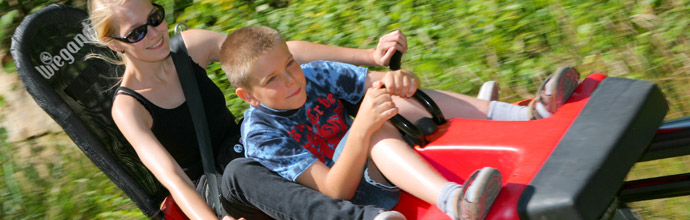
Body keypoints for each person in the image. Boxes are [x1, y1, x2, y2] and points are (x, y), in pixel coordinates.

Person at [86, 0, 413, 219]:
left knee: (300, 87)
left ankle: (420, 144)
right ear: (115, 43)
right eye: (137, 33)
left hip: (247, 147)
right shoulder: (128, 108)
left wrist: (370, 56)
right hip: (218, 188)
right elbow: (173, 180)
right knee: (242, 172)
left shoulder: (190, 48)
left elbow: (269, 56)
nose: (154, 33)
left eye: (154, 18)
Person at [220, 26, 579, 220]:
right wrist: (361, 127)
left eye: (290, 65)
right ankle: (454, 201)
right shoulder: (260, 134)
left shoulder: (315, 75)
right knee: (374, 126)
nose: (291, 81)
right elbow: (332, 191)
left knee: (390, 96)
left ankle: (525, 115)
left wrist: (398, 81)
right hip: (350, 199)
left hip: (377, 162)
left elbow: (381, 86)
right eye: (272, 81)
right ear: (247, 95)